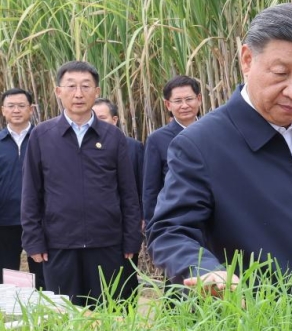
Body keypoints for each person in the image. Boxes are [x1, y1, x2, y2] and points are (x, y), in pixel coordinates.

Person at [147, 3, 292, 301]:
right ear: (247, 60)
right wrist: (203, 270)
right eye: (280, 73)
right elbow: (170, 231)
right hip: (263, 322)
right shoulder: (200, 145)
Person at [21, 61, 142, 307]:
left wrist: (132, 238)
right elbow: (31, 192)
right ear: (58, 91)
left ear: (96, 92)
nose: (78, 94)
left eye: (86, 86)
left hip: (107, 243)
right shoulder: (42, 135)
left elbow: (128, 193)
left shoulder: (113, 136)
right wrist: (33, 239)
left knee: (109, 311)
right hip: (59, 243)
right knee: (65, 313)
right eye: (71, 86)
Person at [94, 97, 146, 301]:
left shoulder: (133, 147)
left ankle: (127, 311)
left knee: (126, 274)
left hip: (127, 221)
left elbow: (143, 183)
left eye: (102, 118)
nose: (97, 122)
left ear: (115, 120)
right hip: (99, 224)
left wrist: (142, 216)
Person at [0, 88, 44, 288]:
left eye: (21, 106)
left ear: (31, 109)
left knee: (42, 273)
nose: (16, 110)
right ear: (3, 110)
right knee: (5, 274)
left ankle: (43, 307)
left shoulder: (44, 139)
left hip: (40, 219)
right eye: (11, 106)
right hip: (5, 220)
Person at [142, 75, 201, 223]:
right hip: (177, 218)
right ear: (168, 105)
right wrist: (152, 226)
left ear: (199, 99)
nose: (184, 105)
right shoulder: (157, 139)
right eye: (178, 101)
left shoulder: (214, 131)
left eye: (189, 99)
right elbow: (150, 189)